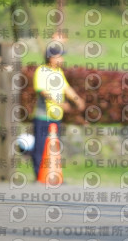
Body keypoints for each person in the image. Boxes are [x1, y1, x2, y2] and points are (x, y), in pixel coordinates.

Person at [31, 41, 85, 180]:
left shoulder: (58, 72)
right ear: (51, 57)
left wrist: (77, 99)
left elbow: (66, 88)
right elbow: (42, 91)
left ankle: (53, 175)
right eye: (60, 56)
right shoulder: (42, 71)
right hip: (43, 116)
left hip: (56, 117)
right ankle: (39, 176)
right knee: (40, 146)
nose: (62, 59)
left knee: (54, 147)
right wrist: (60, 104)